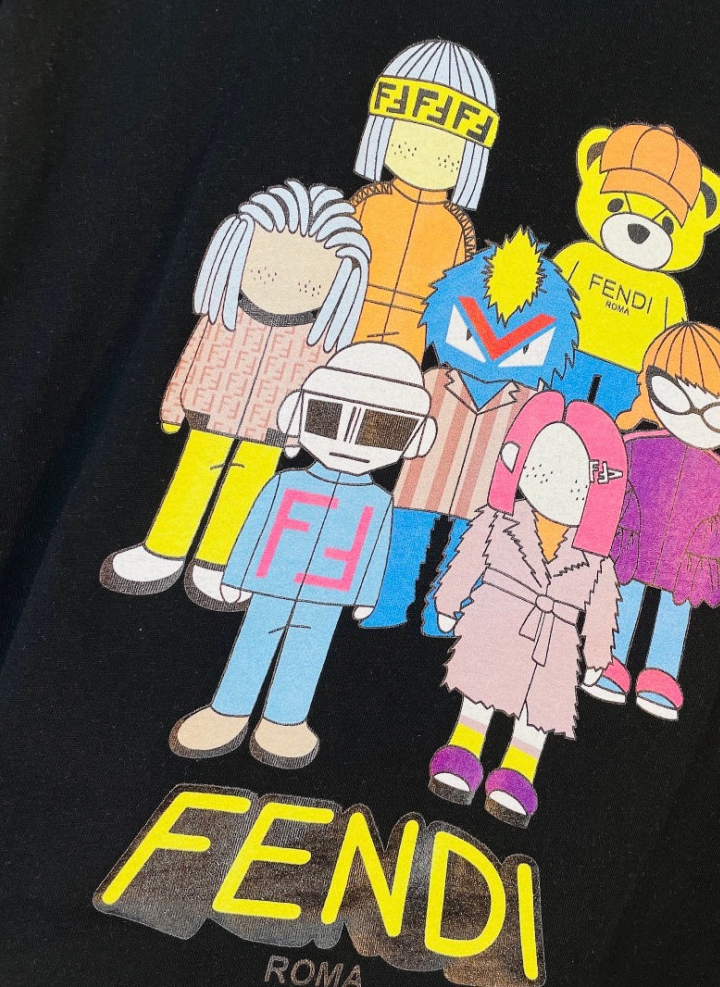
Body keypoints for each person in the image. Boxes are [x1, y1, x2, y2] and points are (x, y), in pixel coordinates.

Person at [100, 181, 369, 610]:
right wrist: (172, 406)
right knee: (191, 480)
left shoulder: (316, 342)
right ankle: (163, 552)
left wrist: (300, 434)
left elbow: (317, 391)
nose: (287, 282)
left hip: (270, 431)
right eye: (269, 268)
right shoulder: (224, 316)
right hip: (210, 414)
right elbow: (192, 357)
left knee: (246, 493)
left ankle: (217, 562)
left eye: (309, 281)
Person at [169, 343, 437, 768]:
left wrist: (367, 596)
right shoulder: (286, 483)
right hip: (271, 583)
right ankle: (228, 712)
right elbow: (255, 530)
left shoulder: (378, 501)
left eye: (381, 430)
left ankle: (284, 721)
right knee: (254, 642)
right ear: (299, 414)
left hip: (328, 595)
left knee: (305, 655)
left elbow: (375, 551)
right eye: (328, 418)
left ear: (415, 439)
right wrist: (235, 576)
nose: (350, 441)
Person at [360, 228, 579, 635]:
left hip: (484, 497)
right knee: (403, 547)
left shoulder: (530, 403)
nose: (494, 346)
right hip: (421, 486)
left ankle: (444, 615)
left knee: (470, 556)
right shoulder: (432, 381)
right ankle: (388, 605)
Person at [428, 391, 625, 828]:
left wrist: (597, 657)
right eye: (545, 465)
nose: (556, 482)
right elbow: (469, 558)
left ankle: (517, 774)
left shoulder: (596, 559)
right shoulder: (499, 518)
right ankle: (463, 753)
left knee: (537, 713)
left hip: (554, 638)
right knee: (480, 691)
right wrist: (448, 601)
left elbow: (600, 609)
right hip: (496, 615)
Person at [581, 321, 720, 720]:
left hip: (687, 562)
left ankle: (660, 674)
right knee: (623, 600)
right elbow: (607, 487)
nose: (694, 414)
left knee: (674, 613)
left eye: (717, 410)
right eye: (677, 396)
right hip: (633, 546)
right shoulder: (634, 446)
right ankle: (611, 663)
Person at [349, 39, 497, 362]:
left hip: (411, 344)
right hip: (350, 328)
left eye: (449, 144)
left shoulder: (456, 227)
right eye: (410, 132)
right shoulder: (369, 203)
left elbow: (455, 297)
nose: (426, 150)